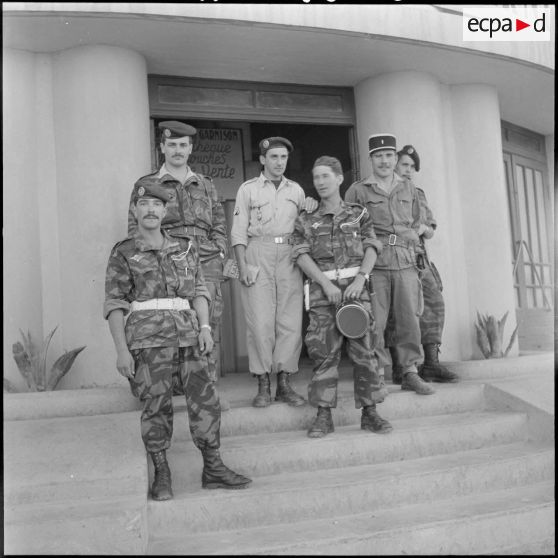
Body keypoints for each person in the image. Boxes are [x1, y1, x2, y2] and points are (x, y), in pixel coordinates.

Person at [105, 183, 251, 501]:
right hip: (147, 341)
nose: (150, 210)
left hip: (189, 336)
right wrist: (120, 351)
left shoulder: (185, 247)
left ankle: (213, 467)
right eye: (143, 204)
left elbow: (199, 291)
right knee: (156, 405)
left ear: (164, 210)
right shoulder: (124, 252)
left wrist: (206, 327)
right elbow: (114, 304)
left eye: (156, 204)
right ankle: (162, 473)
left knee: (206, 401)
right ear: (134, 210)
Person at [127, 121, 229, 402]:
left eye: (183, 145)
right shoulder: (147, 185)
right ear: (162, 147)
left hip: (205, 262)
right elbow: (136, 230)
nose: (177, 151)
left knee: (208, 326)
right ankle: (165, 394)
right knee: (168, 324)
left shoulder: (206, 184)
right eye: (171, 145)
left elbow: (219, 224)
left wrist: (219, 251)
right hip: (168, 261)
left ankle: (207, 395)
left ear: (191, 149)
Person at [292, 156, 392, 437]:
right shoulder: (306, 219)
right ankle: (324, 416)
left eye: (325, 176)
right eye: (316, 178)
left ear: (339, 179)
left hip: (356, 293)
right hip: (325, 297)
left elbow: (373, 246)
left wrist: (361, 279)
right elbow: (300, 255)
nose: (320, 182)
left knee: (365, 353)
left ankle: (371, 413)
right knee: (324, 356)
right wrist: (325, 284)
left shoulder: (358, 213)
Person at [345, 133, 435, 395]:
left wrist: (416, 243)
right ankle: (378, 374)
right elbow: (349, 230)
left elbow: (421, 223)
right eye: (378, 156)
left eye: (388, 156)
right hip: (376, 266)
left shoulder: (409, 188)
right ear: (371, 159)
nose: (384, 161)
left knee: (410, 320)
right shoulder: (358, 190)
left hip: (406, 263)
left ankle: (409, 372)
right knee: (376, 322)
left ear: (395, 158)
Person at [230, 137, 309, 408]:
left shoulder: (296, 190)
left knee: (289, 322)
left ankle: (284, 382)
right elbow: (238, 232)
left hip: (289, 254)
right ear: (263, 160)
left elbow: (304, 227)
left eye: (283, 157)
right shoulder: (248, 189)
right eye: (273, 157)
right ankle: (263, 382)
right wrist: (242, 266)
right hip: (258, 252)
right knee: (260, 322)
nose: (279, 162)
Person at [389, 144, 458, 384]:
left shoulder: (418, 193)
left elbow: (431, 229)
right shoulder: (385, 191)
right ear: (394, 164)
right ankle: (400, 366)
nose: (408, 170)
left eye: (412, 167)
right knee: (397, 311)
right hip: (394, 256)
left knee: (434, 303)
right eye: (404, 165)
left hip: (419, 258)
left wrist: (423, 228)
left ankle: (431, 363)